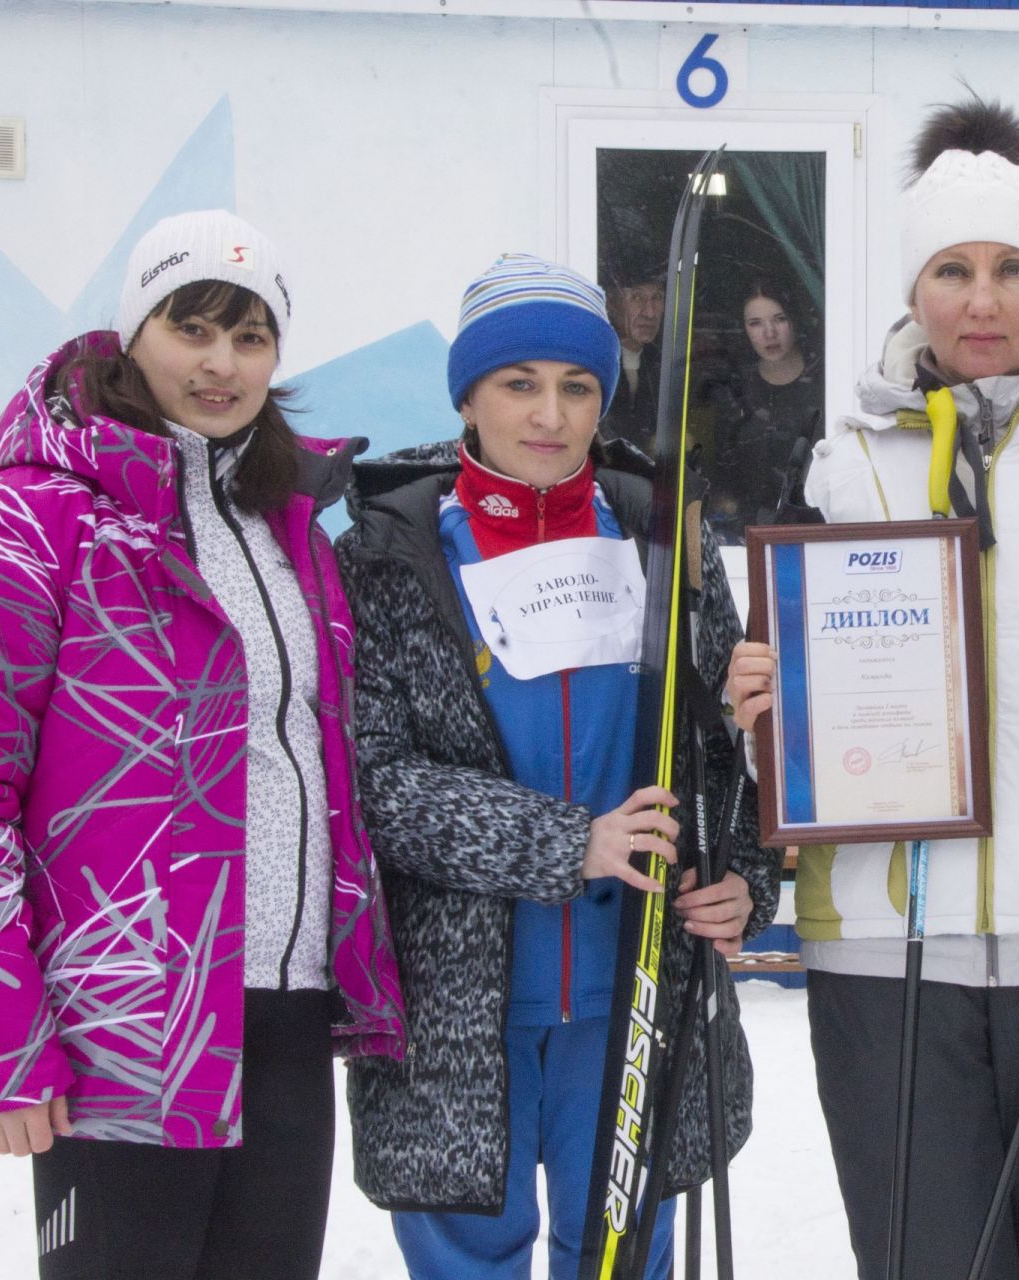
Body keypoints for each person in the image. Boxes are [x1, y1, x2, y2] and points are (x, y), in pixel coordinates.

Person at [725, 97, 1019, 1280]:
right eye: (953, 269)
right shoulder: (835, 460)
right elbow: (775, 676)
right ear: (914, 293)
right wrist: (759, 696)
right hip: (882, 942)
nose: (983, 299)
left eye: (1013, 268)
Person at [0, 209, 405, 1280]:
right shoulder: (26, 521)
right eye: (193, 327)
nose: (222, 363)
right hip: (121, 1020)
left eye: (251, 335)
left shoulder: (288, 524)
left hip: (285, 1005)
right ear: (136, 331)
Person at [335, 253, 781, 1280]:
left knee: (622, 1253)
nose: (551, 413)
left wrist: (741, 879)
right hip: (461, 998)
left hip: (636, 981)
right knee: (471, 1261)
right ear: (470, 396)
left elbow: (719, 744)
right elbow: (376, 781)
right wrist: (566, 840)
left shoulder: (663, 532)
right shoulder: (391, 552)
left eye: (577, 385)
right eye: (518, 383)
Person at [712, 277, 823, 536]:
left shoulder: (825, 380)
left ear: (794, 318)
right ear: (744, 328)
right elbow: (724, 475)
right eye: (755, 323)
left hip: (818, 530)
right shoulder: (735, 390)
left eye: (779, 319)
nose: (769, 333)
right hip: (749, 537)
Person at [600, 250, 667, 453]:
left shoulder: (663, 365)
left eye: (657, 298)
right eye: (637, 297)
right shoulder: (597, 362)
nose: (650, 312)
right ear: (612, 302)